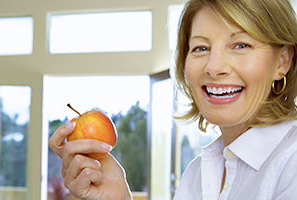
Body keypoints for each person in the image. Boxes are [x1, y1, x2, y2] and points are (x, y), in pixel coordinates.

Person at [49, 0, 297, 199]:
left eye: (241, 45)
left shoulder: (291, 162)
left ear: (283, 61)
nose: (214, 66)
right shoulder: (196, 174)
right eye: (201, 48)